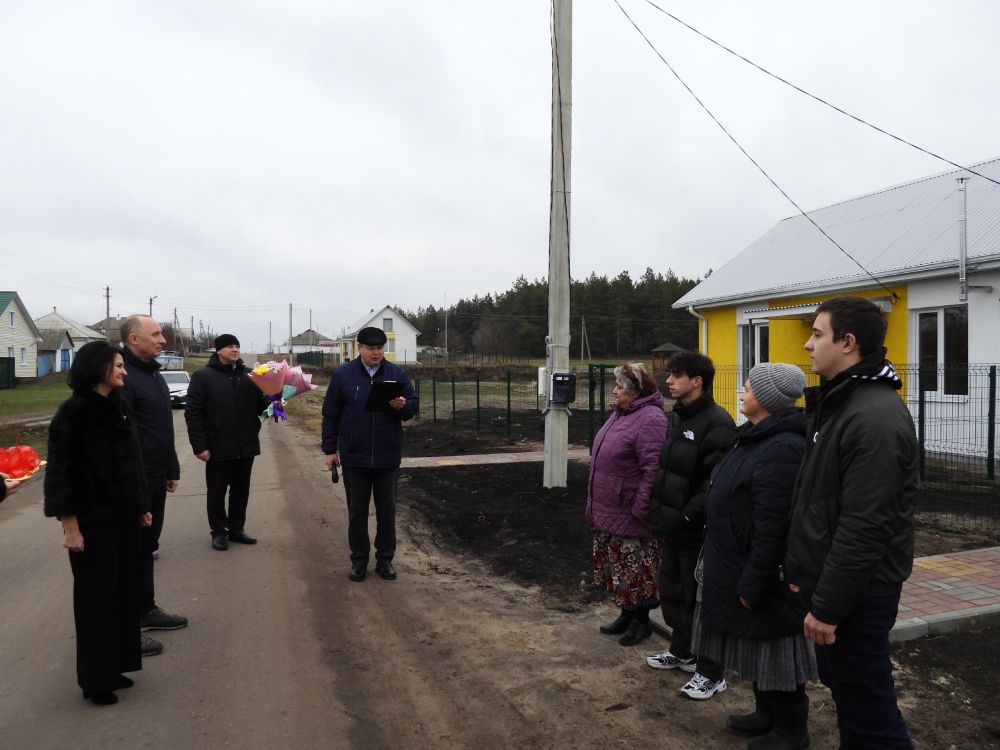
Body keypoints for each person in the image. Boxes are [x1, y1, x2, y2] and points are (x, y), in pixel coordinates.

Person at [785, 296, 918, 748]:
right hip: (834, 587)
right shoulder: (841, 404)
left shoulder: (874, 417)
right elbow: (821, 503)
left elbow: (865, 526)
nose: (807, 345)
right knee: (850, 695)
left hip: (859, 596)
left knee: (869, 713)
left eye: (817, 334)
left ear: (848, 343)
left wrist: (828, 607)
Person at [693, 363, 817, 747]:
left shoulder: (782, 447)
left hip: (761, 571)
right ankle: (767, 716)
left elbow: (773, 526)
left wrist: (755, 579)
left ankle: (792, 732)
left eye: (747, 387)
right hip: (735, 560)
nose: (741, 393)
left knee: (777, 653)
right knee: (757, 648)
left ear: (766, 398)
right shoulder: (755, 437)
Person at [43, 341, 152, 705]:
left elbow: (130, 462)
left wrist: (140, 505)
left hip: (124, 520)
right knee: (96, 601)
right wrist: (70, 527)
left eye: (124, 365)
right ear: (98, 368)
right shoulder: (73, 413)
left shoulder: (117, 407)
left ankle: (114, 667)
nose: (123, 371)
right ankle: (94, 680)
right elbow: (61, 476)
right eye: (118, 366)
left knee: (122, 596)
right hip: (92, 525)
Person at [645, 351, 735, 701]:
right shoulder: (677, 417)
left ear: (697, 381)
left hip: (694, 529)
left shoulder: (718, 423)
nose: (668, 380)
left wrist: (686, 515)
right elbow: (667, 470)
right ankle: (682, 650)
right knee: (673, 593)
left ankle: (711, 672)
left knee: (699, 600)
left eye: (676, 375)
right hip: (671, 525)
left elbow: (713, 482)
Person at [322, 326, 418, 582]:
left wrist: (403, 406)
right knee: (357, 512)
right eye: (371, 348)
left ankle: (385, 560)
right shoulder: (343, 376)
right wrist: (330, 449)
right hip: (355, 456)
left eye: (380, 348)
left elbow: (412, 407)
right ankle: (359, 560)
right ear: (359, 348)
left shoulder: (396, 373)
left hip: (387, 456)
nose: (376, 352)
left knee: (387, 511)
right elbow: (330, 414)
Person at [120, 315, 187, 655]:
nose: (163, 339)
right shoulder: (124, 377)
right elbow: (125, 436)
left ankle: (146, 609)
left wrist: (171, 467)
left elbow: (162, 428)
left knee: (147, 546)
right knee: (130, 553)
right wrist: (136, 482)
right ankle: (126, 626)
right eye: (156, 334)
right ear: (134, 339)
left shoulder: (153, 374)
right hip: (136, 480)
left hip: (157, 475)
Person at [587, 363, 668, 647]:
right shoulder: (621, 414)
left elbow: (653, 469)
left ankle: (642, 622)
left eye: (619, 387)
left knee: (636, 570)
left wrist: (641, 508)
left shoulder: (650, 420)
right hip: (610, 507)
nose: (614, 390)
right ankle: (627, 614)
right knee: (619, 567)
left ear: (634, 391)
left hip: (630, 511)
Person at [185, 334, 269, 551]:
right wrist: (199, 445)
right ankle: (219, 532)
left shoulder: (250, 375)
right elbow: (193, 413)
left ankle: (236, 529)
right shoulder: (203, 376)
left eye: (237, 346)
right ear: (219, 351)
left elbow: (262, 407)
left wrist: (276, 399)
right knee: (216, 492)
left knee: (241, 491)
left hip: (245, 444)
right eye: (230, 346)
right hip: (217, 446)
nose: (235, 350)